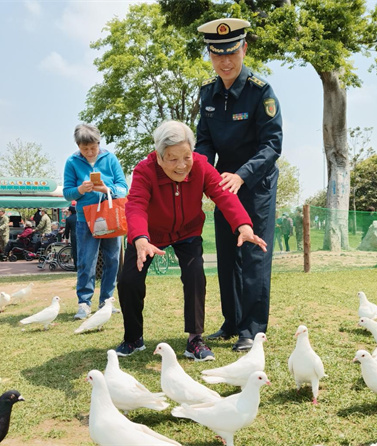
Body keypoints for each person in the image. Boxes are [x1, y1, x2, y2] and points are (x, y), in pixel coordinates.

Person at [115, 120, 266, 360]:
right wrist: (140, 239)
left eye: (186, 156)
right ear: (159, 156)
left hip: (187, 232)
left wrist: (243, 225)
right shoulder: (144, 170)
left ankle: (195, 339)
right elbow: (135, 207)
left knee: (196, 275)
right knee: (128, 280)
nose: (181, 165)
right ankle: (133, 338)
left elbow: (223, 194)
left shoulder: (201, 167)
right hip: (149, 235)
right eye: (172, 159)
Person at [196, 18, 283, 351]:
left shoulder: (261, 92)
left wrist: (242, 174)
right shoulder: (208, 93)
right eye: (218, 55)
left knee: (253, 254)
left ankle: (252, 329)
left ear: (243, 49)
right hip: (222, 187)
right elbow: (204, 141)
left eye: (231, 52)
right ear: (210, 56)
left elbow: (272, 145)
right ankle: (232, 322)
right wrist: (203, 172)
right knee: (227, 254)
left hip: (255, 184)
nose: (226, 61)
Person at [63, 123, 128, 320]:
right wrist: (80, 190)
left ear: (99, 143)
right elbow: (67, 193)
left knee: (113, 259)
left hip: (110, 216)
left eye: (93, 147)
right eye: (85, 149)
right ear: (78, 146)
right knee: (86, 261)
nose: (90, 152)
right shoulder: (72, 162)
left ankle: (106, 301)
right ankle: (84, 303)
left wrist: (106, 188)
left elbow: (123, 187)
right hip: (85, 219)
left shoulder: (110, 158)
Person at [63, 206, 77, 270]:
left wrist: (66, 238)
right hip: (82, 235)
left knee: (75, 251)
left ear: (70, 211)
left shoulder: (68, 219)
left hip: (74, 236)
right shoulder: (79, 217)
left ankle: (76, 266)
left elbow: (67, 230)